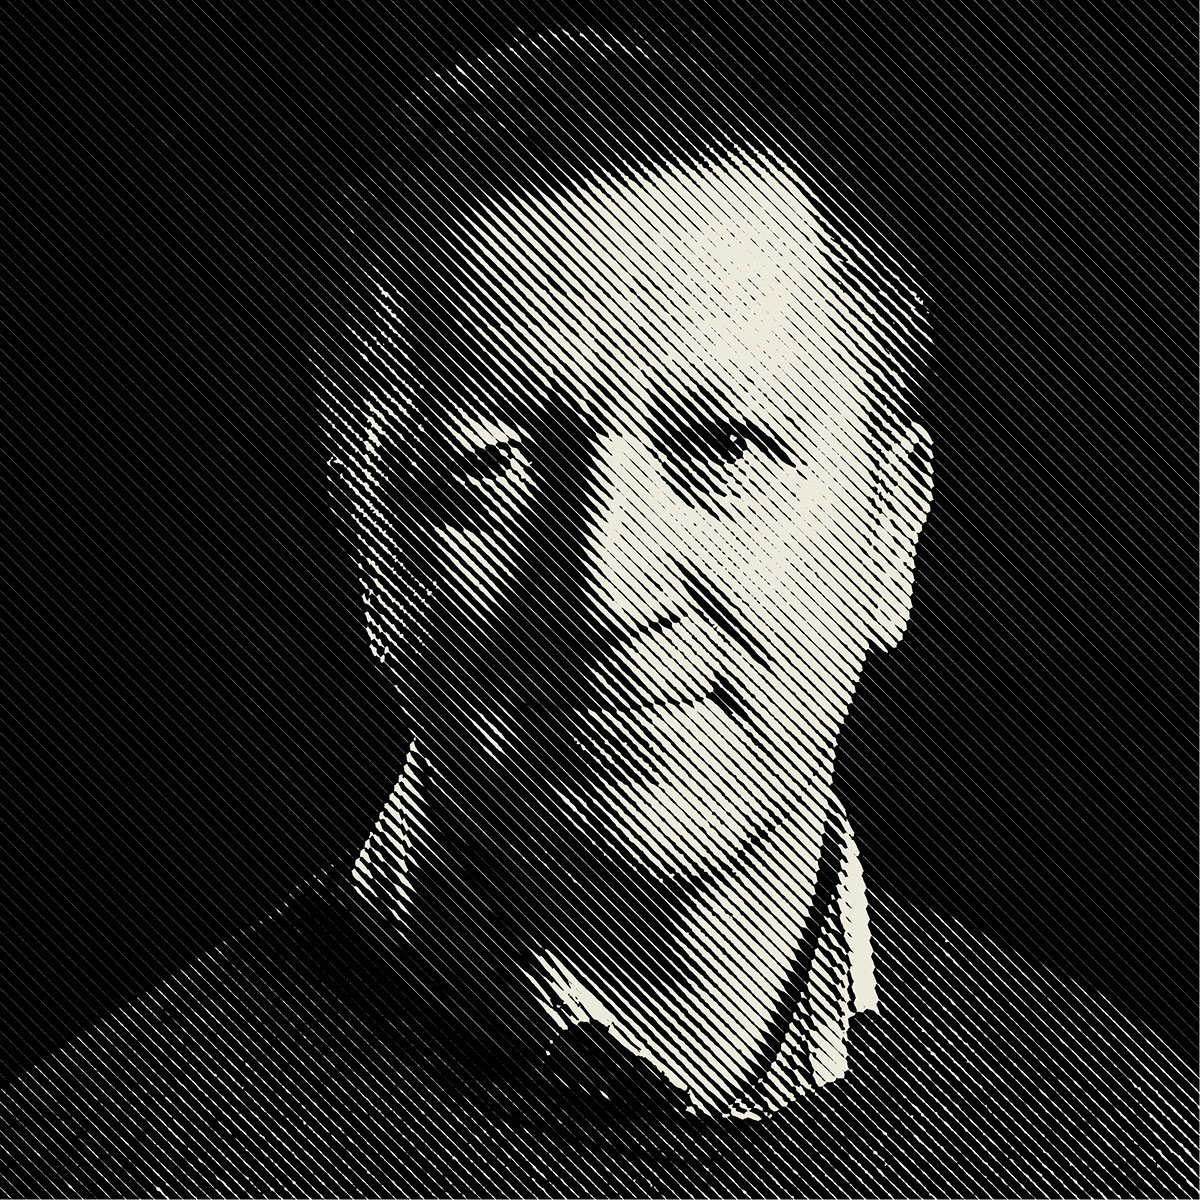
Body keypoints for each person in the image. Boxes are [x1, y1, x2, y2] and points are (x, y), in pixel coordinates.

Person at [2, 27, 1194, 1199]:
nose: (605, 588)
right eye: (488, 468)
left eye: (724, 448)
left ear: (890, 533)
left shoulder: (1130, 1139)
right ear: (363, 532)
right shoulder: (86, 1167)